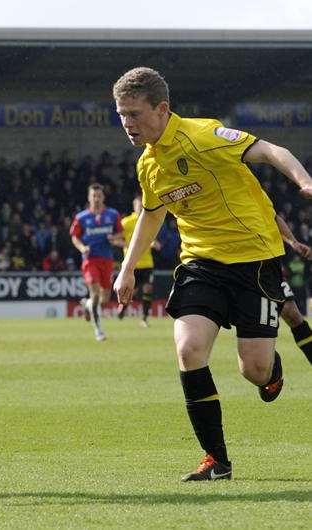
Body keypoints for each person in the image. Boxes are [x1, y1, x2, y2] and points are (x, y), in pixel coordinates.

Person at [112, 66, 312, 482]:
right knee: (188, 350)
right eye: (121, 115)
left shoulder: (204, 137)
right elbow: (152, 216)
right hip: (200, 264)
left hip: (255, 259)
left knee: (254, 370)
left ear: (162, 108)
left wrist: (304, 181)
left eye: (134, 113)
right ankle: (216, 460)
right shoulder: (148, 166)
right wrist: (127, 268)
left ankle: (271, 371)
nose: (127, 123)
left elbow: (272, 151)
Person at [71, 183, 123, 341]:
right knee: (94, 293)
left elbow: (120, 233)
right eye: (93, 196)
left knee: (104, 299)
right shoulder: (81, 217)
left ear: (103, 197)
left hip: (106, 259)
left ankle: (87, 305)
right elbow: (74, 236)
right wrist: (82, 248)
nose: (96, 198)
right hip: (90, 260)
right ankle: (98, 330)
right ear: (89, 198)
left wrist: (113, 238)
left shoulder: (113, 214)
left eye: (99, 195)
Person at [275, 214, 312, 365]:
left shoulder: (254, 193)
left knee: (292, 314)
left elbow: (272, 216)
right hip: (226, 265)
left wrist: (293, 242)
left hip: (264, 263)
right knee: (255, 368)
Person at [115, 195, 157, 327]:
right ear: (134, 207)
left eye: (141, 205)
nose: (140, 207)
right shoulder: (126, 222)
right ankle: (123, 308)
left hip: (147, 263)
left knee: (148, 288)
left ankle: (144, 318)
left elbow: (151, 236)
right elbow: (115, 238)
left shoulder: (149, 221)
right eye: (138, 205)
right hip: (132, 263)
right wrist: (126, 245)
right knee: (131, 291)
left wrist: (154, 243)